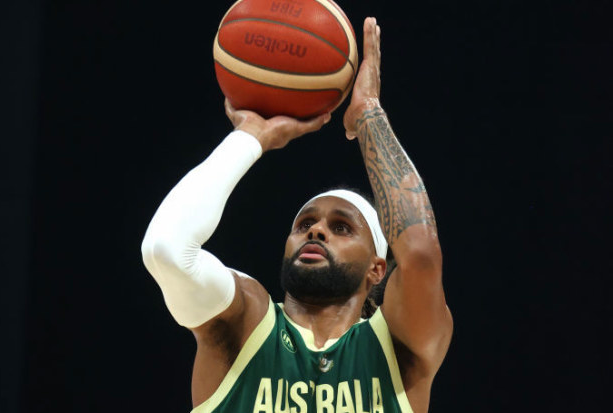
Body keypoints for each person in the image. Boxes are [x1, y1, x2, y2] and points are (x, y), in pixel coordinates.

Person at [141, 17, 452, 413]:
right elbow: (165, 250)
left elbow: (421, 254)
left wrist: (369, 115)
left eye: (342, 227)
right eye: (305, 224)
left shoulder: (396, 348)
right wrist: (250, 136)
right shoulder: (247, 323)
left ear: (378, 269)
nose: (317, 231)